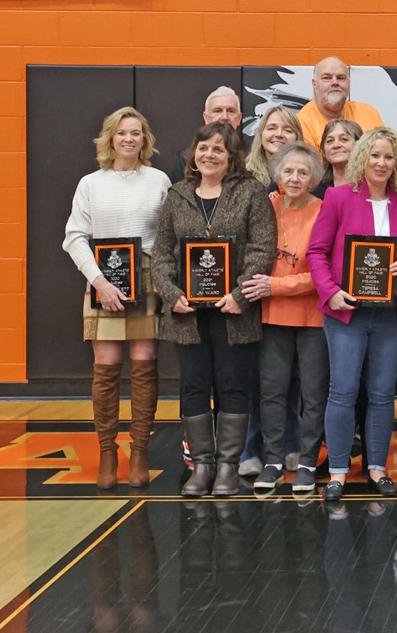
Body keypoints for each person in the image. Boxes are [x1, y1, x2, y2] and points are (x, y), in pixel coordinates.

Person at [152, 122, 276, 497]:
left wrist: (240, 294)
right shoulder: (177, 195)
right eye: (203, 148)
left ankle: (227, 467)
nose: (208, 155)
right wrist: (171, 293)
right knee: (192, 386)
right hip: (187, 314)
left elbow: (262, 249)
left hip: (233, 313)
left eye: (218, 150)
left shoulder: (251, 193)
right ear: (194, 153)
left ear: (231, 157)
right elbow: (160, 253)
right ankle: (201, 466)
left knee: (232, 385)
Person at [307, 127, 397, 501]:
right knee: (343, 392)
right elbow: (317, 252)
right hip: (346, 313)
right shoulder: (338, 198)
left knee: (383, 394)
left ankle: (377, 468)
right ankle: (338, 470)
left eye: (389, 157)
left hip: (389, 314)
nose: (382, 163)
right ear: (362, 159)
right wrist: (331, 292)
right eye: (375, 156)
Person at [62, 107, 171, 489]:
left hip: (146, 278)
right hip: (102, 280)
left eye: (136, 133)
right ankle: (108, 452)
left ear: (145, 140)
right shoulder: (90, 183)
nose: (129, 139)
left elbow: (168, 235)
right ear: (110, 138)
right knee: (106, 366)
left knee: (143, 363)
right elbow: (74, 237)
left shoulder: (159, 180)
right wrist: (99, 282)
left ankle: (139, 451)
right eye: (122, 132)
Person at [241, 141, 329, 495]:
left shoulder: (325, 210)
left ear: (314, 178)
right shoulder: (265, 206)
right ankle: (274, 460)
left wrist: (277, 285)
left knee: (312, 393)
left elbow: (324, 273)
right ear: (277, 173)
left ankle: (307, 460)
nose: (294, 178)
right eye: (288, 171)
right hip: (271, 317)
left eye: (302, 172)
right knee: (272, 392)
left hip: (313, 319)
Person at [297, 56, 385, 151]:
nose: (335, 82)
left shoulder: (368, 113)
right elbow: (311, 164)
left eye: (341, 78)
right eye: (327, 78)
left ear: (349, 83)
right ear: (314, 84)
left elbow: (382, 155)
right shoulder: (302, 122)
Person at [164, 86, 242, 184]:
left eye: (231, 111)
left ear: (239, 118)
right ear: (206, 117)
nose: (224, 117)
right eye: (217, 111)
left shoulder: (252, 157)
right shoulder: (185, 159)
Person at [246, 106, 303, 187]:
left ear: (298, 138)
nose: (279, 134)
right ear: (261, 134)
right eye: (272, 128)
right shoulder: (243, 176)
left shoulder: (309, 179)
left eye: (288, 130)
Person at [317, 119, 363, 197]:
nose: (336, 145)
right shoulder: (316, 191)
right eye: (330, 141)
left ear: (360, 145)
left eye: (344, 139)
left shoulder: (373, 185)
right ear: (323, 151)